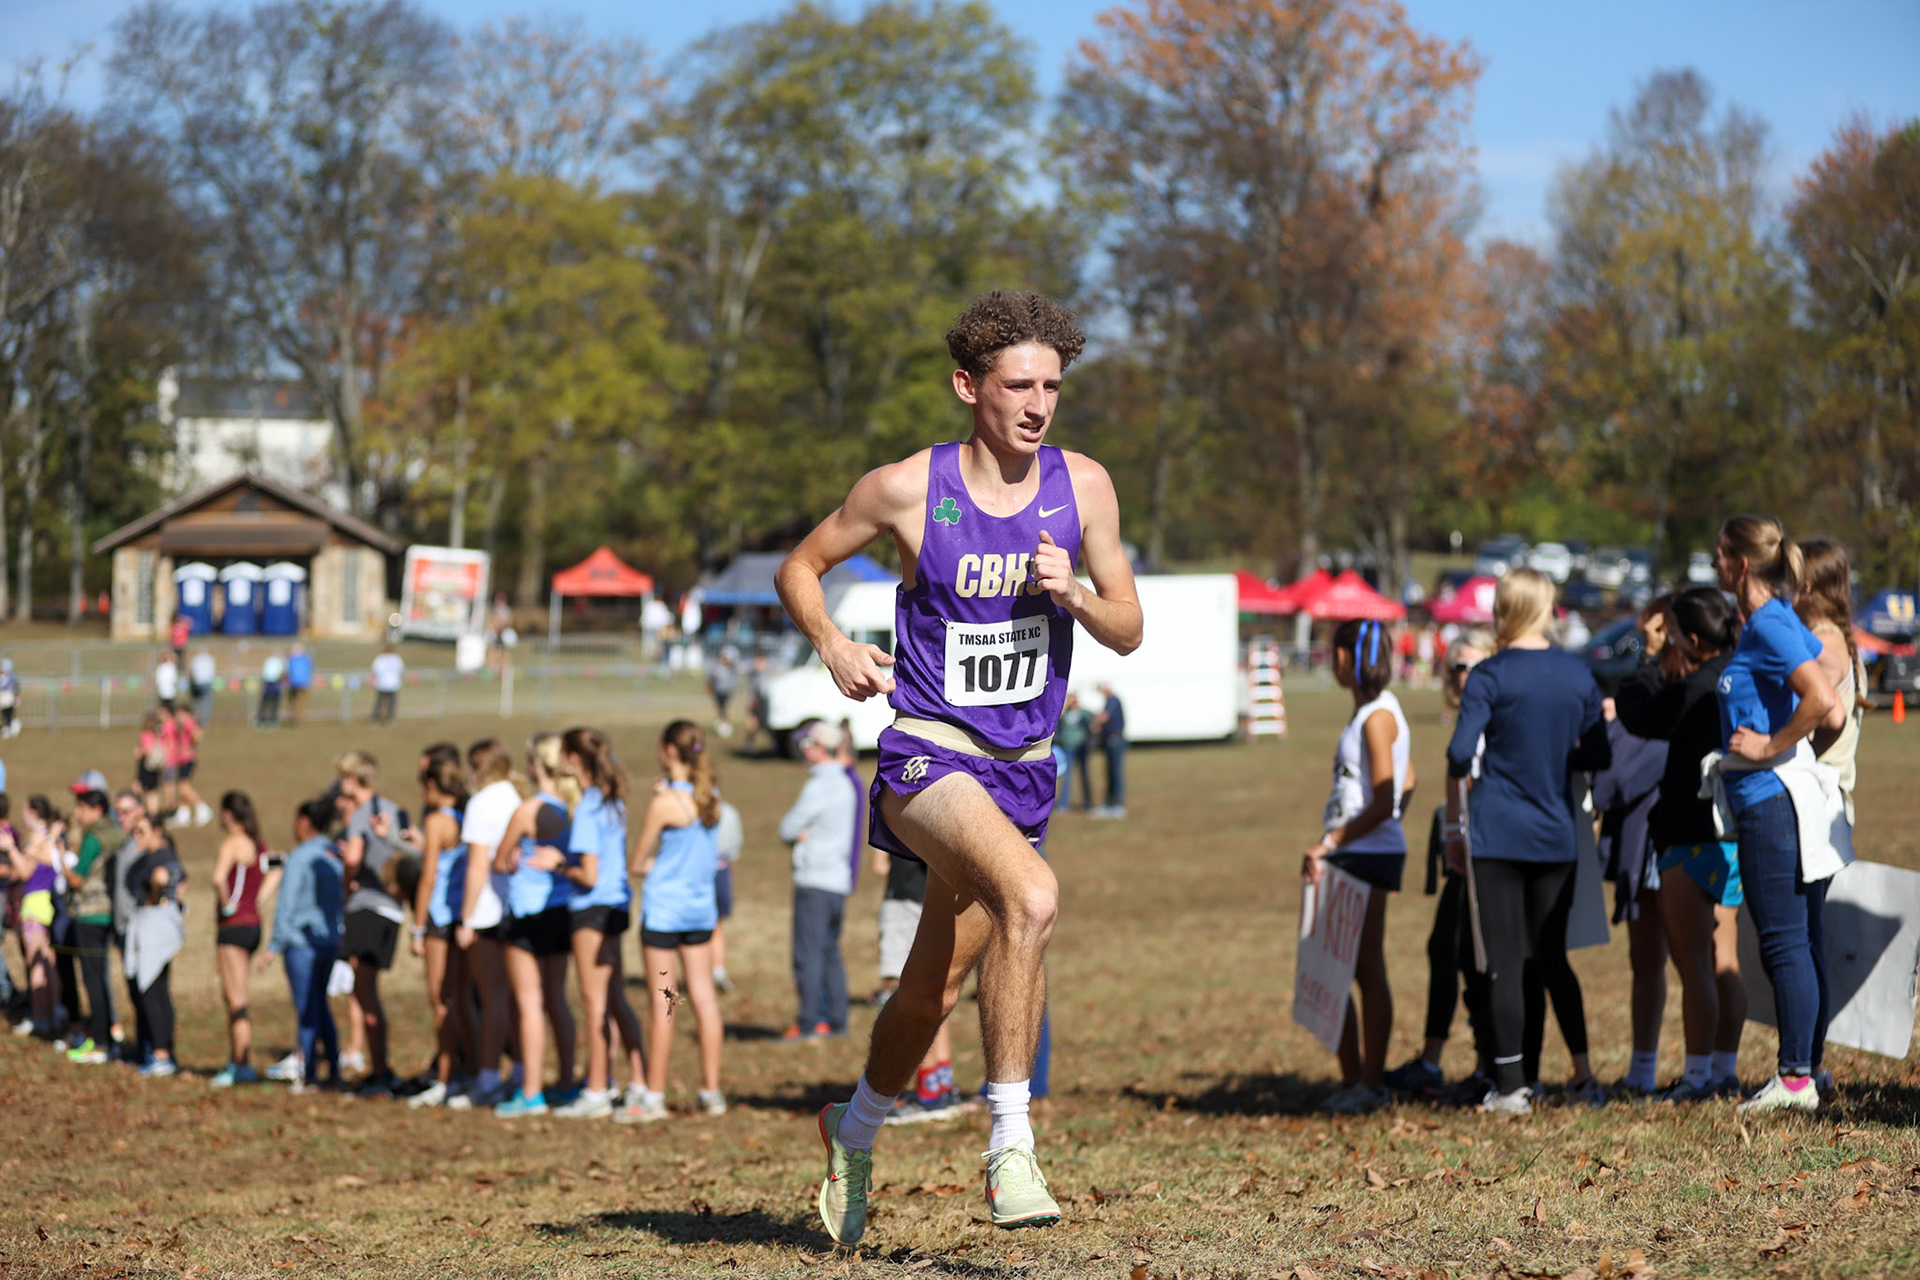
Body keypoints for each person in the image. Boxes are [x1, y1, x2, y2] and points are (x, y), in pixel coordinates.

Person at [774, 290, 1140, 1242]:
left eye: (1053, 386)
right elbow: (799, 567)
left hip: (1023, 766)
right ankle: (1010, 1143)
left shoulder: (1085, 487)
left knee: (930, 987)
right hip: (929, 755)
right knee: (1032, 896)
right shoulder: (905, 488)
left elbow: (1130, 628)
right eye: (1019, 384)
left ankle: (850, 1133)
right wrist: (833, 645)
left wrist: (1077, 597)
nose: (1038, 405)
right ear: (967, 386)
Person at [1444, 568, 1610, 1114]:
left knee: (1505, 962)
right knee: (1553, 957)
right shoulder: (1576, 674)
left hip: (1496, 832)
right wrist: (1558, 753)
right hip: (1555, 831)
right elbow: (1599, 754)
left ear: (1503, 610)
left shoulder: (1489, 676)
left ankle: (1513, 1085)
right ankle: (1583, 1075)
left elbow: (1457, 753)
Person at [1712, 516, 1846, 1115]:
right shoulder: (1771, 623)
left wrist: (1769, 747)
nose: (1713, 564)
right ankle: (1808, 1070)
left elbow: (1825, 703)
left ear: (1741, 566)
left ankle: (1795, 1080)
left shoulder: (1768, 623)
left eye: (1719, 555)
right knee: (1802, 940)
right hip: (1781, 800)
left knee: (1786, 943)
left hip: (1773, 802)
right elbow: (1830, 701)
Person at [1615, 586, 1747, 1100]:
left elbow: (1638, 712)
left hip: (1688, 839)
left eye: (1672, 634)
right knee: (1725, 959)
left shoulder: (1696, 687)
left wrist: (1648, 655)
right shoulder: (1741, 675)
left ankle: (1696, 1078)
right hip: (1732, 836)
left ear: (1692, 639)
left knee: (1694, 965)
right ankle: (1724, 1068)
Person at [1304, 618, 1416, 1115]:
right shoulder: (1375, 712)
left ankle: (1370, 1084)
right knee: (1337, 965)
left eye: (1337, 654)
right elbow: (1407, 777)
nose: (1334, 663)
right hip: (1363, 847)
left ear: (1352, 658)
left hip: (1363, 852)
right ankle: (1355, 1080)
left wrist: (1333, 840)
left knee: (1363, 967)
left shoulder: (1376, 717)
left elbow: (1388, 795)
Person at [1386, 630, 1494, 1099]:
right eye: (1458, 667)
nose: (1465, 676)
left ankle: (1488, 1066)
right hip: (1464, 856)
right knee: (1445, 950)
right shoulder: (1468, 718)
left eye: (1475, 666)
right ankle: (1441, 1061)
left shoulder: (1491, 721)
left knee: (1472, 958)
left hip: (1487, 858)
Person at [538, 726, 648, 1120]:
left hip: (592, 909)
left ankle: (598, 1088)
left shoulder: (587, 805)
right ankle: (638, 1079)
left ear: (573, 758)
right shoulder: (611, 798)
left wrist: (557, 863)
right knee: (615, 997)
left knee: (593, 1001)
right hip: (616, 906)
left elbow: (587, 873)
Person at [623, 720, 727, 1123]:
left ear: (668, 751)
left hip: (665, 915)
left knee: (665, 1002)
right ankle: (712, 1091)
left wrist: (655, 863)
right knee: (704, 998)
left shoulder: (665, 804)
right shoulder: (710, 797)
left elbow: (637, 862)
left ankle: (654, 1095)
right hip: (700, 913)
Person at [490, 734, 581, 1118]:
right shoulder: (573, 808)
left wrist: (511, 858)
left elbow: (498, 860)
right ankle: (564, 1081)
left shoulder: (529, 810)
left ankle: (530, 1092)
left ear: (534, 766)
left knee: (529, 1003)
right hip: (562, 912)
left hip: (527, 914)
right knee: (557, 999)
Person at [334, 751, 409, 1095]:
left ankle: (380, 1069)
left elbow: (352, 856)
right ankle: (378, 1065)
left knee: (364, 991)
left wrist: (347, 881)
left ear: (352, 779)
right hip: (392, 908)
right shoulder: (394, 808)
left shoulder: (361, 814)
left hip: (367, 905)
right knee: (367, 988)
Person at [451, 739, 519, 1110]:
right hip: (519, 909)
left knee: (493, 999)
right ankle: (522, 1071)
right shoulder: (516, 796)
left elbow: (477, 866)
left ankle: (489, 1077)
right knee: (518, 999)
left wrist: (466, 917)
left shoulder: (481, 803)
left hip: (489, 913)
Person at [780, 720, 857, 1042]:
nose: (802, 750)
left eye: (807, 744)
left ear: (820, 747)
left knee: (808, 954)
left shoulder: (819, 785)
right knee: (829, 951)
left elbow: (786, 828)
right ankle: (837, 1021)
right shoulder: (845, 782)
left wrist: (801, 836)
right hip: (837, 880)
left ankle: (809, 1022)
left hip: (814, 879)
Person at [261, 798, 345, 1093]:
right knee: (321, 1005)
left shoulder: (300, 858)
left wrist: (273, 945)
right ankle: (333, 1066)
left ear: (305, 822)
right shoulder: (334, 854)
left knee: (307, 1007)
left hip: (301, 944)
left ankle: (308, 1072)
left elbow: (287, 904)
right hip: (330, 941)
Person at [407, 746, 471, 1109]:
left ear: (433, 785)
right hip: (461, 915)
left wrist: (417, 928)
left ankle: (447, 1078)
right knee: (460, 1001)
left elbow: (429, 876)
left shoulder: (435, 821)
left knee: (441, 1003)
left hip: (438, 920)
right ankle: (469, 1071)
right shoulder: (464, 816)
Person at [210, 791, 276, 1087]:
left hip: (233, 926)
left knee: (235, 996)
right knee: (239, 993)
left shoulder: (232, 843)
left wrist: (227, 904)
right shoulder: (258, 844)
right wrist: (259, 898)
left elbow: (218, 878)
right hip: (253, 926)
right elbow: (278, 868)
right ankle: (239, 1058)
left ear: (227, 814)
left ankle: (241, 1062)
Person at [1797, 540, 1866, 821]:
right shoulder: (1836, 635)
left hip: (1820, 802)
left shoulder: (1821, 643)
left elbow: (1827, 720)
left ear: (1806, 586)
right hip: (1830, 798)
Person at [62, 776, 122, 1064]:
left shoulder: (93, 838)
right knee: (102, 978)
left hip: (89, 914)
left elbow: (76, 879)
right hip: (111, 913)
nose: (78, 813)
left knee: (93, 980)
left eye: (82, 807)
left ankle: (100, 1043)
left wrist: (60, 858)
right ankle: (109, 1039)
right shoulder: (116, 832)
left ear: (97, 809)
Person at [123, 811, 185, 1077]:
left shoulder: (160, 857)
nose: (138, 836)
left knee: (152, 991)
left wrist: (156, 895)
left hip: (153, 930)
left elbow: (164, 882)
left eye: (143, 831)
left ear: (158, 830)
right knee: (155, 989)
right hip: (156, 928)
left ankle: (161, 1053)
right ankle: (161, 1049)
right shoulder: (161, 854)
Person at [2, 797, 65, 1038]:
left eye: (25, 809)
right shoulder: (50, 835)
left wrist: (11, 849)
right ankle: (52, 1011)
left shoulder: (40, 837)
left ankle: (41, 1018)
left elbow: (24, 871)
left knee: (36, 962)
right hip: (46, 903)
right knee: (47, 961)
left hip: (35, 904)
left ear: (34, 812)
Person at [165, 704, 212, 827]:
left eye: (180, 713)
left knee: (183, 786)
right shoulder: (181, 724)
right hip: (180, 759)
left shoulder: (188, 723)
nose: (178, 716)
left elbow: (198, 735)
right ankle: (183, 813)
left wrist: (190, 746)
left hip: (187, 758)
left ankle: (202, 808)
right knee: (181, 785)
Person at [1091, 682, 1128, 819]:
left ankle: (1117, 804)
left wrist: (1094, 724)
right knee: (1109, 772)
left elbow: (1104, 717)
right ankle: (1109, 803)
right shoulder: (1109, 701)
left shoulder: (1113, 700)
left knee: (1115, 772)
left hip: (1115, 740)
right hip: (1109, 740)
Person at [1052, 693, 1093, 813]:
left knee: (1084, 775)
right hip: (1068, 748)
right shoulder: (1066, 714)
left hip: (1082, 748)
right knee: (1066, 777)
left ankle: (1088, 803)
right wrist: (1066, 704)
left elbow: (1091, 723)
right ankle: (1064, 803)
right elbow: (1058, 717)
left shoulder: (1083, 713)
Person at [135, 711, 170, 815]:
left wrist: (139, 752)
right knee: (154, 791)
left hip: (147, 767)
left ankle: (151, 812)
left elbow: (146, 750)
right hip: (156, 767)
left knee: (146, 791)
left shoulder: (145, 735)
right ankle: (154, 811)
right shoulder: (158, 735)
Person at [707, 647, 738, 737]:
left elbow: (734, 680)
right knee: (720, 708)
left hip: (726, 691)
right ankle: (720, 724)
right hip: (718, 691)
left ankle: (724, 725)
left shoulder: (731, 668)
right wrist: (710, 687)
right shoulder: (717, 667)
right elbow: (711, 679)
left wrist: (735, 689)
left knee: (724, 708)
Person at [370, 645, 404, 725]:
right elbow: (400, 670)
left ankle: (378, 719)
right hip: (389, 684)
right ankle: (385, 718)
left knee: (381, 703)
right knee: (386, 703)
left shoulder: (380, 658)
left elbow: (374, 670)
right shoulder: (396, 659)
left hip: (384, 684)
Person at [258, 651, 286, 728]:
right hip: (274, 683)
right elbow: (282, 673)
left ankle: (260, 720)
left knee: (265, 702)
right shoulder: (280, 661)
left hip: (268, 683)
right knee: (273, 703)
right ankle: (271, 720)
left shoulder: (268, 660)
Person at [189, 648, 217, 726]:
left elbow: (191, 671)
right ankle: (204, 722)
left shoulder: (195, 659)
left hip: (196, 683)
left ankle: (195, 720)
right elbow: (212, 672)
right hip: (206, 683)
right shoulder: (210, 659)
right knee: (206, 704)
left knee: (196, 704)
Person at [0, 658, 20, 737]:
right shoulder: (2, 677)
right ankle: (6, 728)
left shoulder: (12, 677)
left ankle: (11, 727)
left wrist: (17, 697)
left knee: (9, 713)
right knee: (4, 713)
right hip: (2, 698)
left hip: (9, 697)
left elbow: (16, 687)